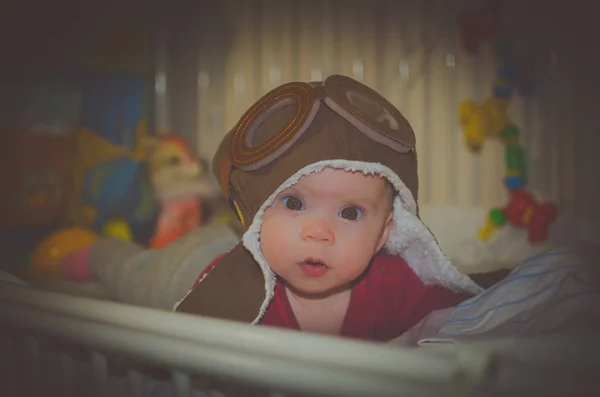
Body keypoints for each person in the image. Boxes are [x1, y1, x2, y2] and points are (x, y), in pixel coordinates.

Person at [175, 75, 487, 342]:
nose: (319, 233)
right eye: (294, 203)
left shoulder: (396, 285)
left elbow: (475, 322)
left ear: (383, 233)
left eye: (350, 213)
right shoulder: (229, 288)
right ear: (260, 210)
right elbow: (188, 354)